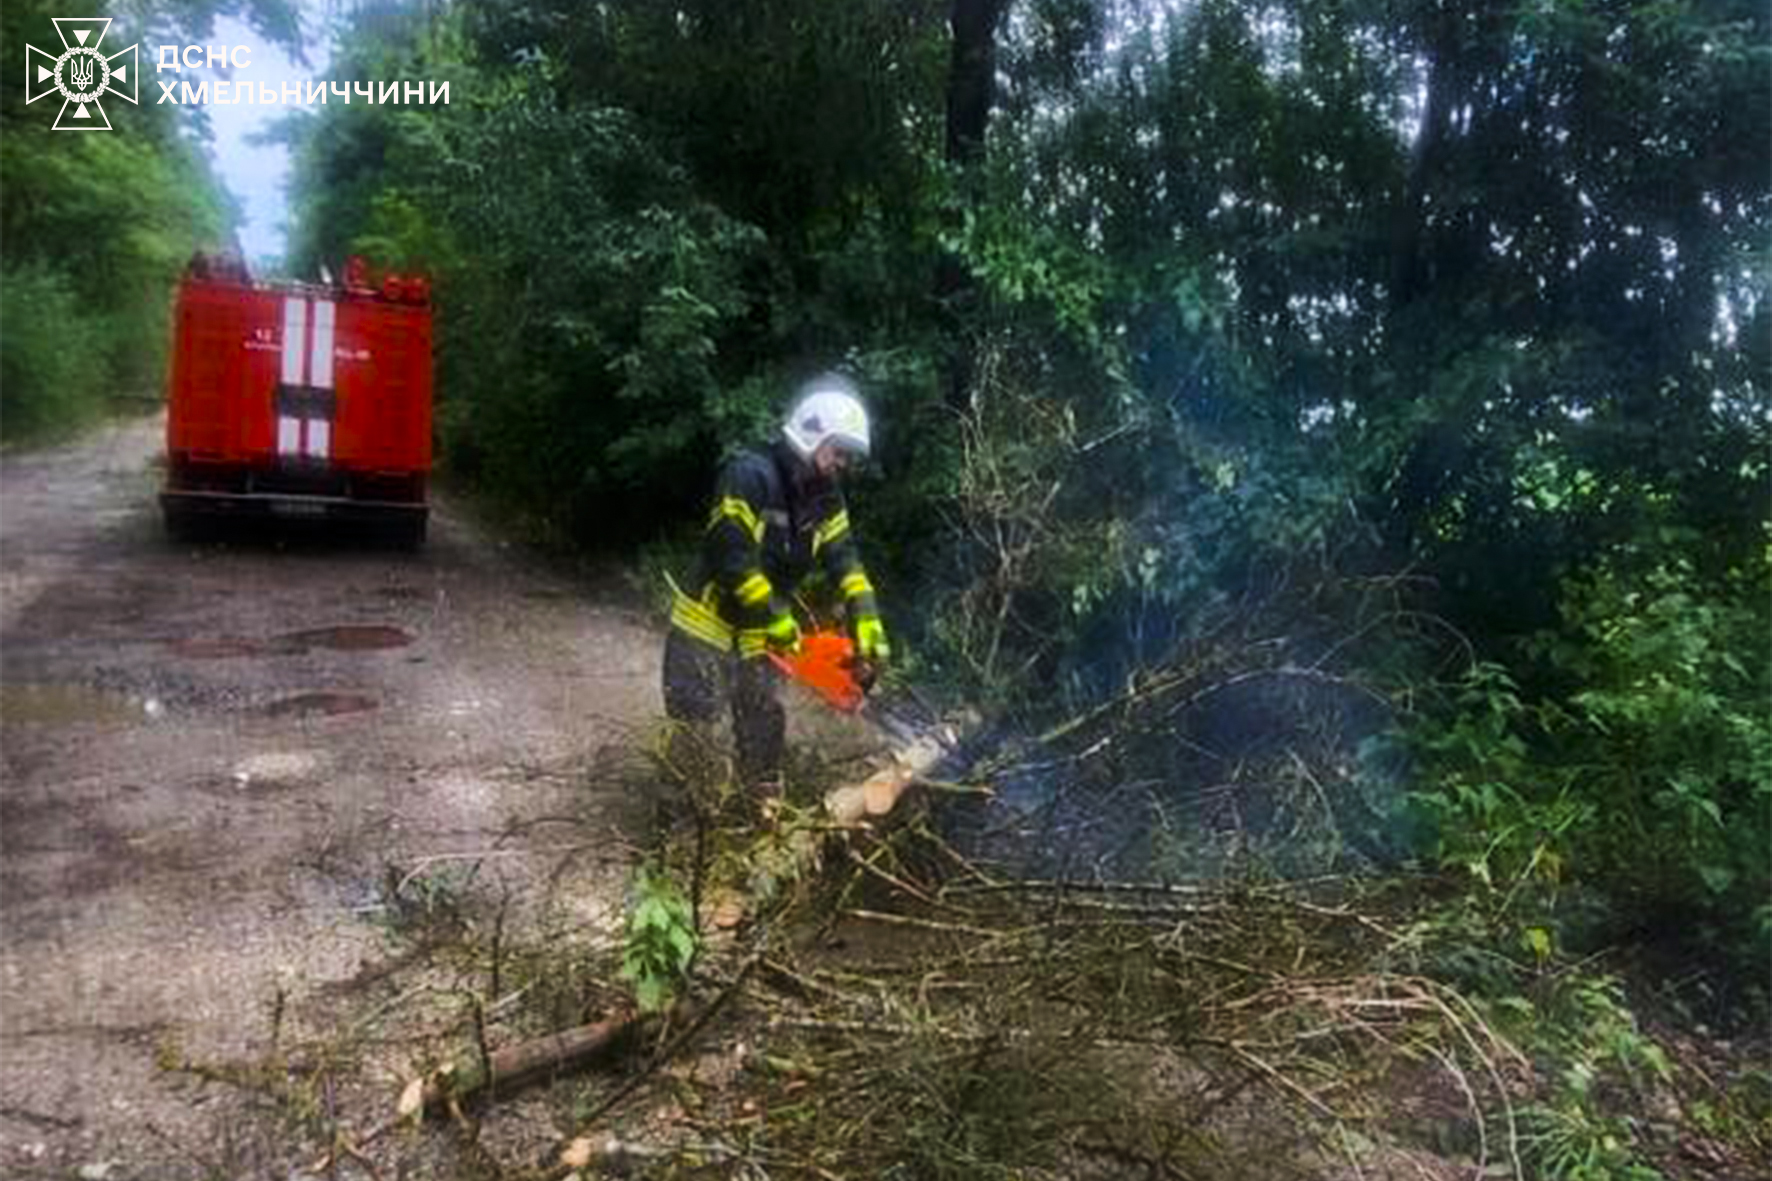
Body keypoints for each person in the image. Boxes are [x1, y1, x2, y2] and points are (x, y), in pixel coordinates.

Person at [662, 374, 890, 806]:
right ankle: (673, 832)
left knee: (764, 734)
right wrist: (772, 613)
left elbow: (846, 561)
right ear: (812, 432)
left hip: (760, 635)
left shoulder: (826, 500)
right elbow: (730, 554)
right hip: (706, 628)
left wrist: (867, 616)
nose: (843, 463)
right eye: (839, 451)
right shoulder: (750, 474)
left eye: (847, 456)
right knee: (695, 740)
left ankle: (760, 821)